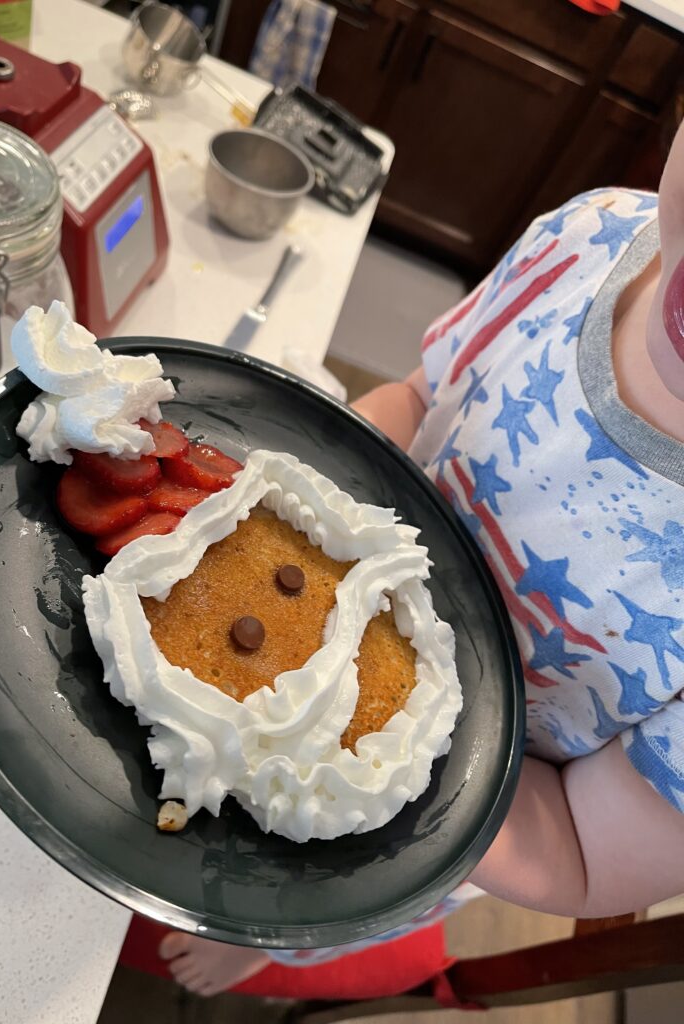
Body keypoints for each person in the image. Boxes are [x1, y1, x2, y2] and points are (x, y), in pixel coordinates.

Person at [156, 121, 684, 996]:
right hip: (302, 623)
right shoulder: (585, 238)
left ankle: (272, 939)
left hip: (434, 809)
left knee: (301, 892)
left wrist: (365, 768)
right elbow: (417, 396)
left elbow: (587, 851)